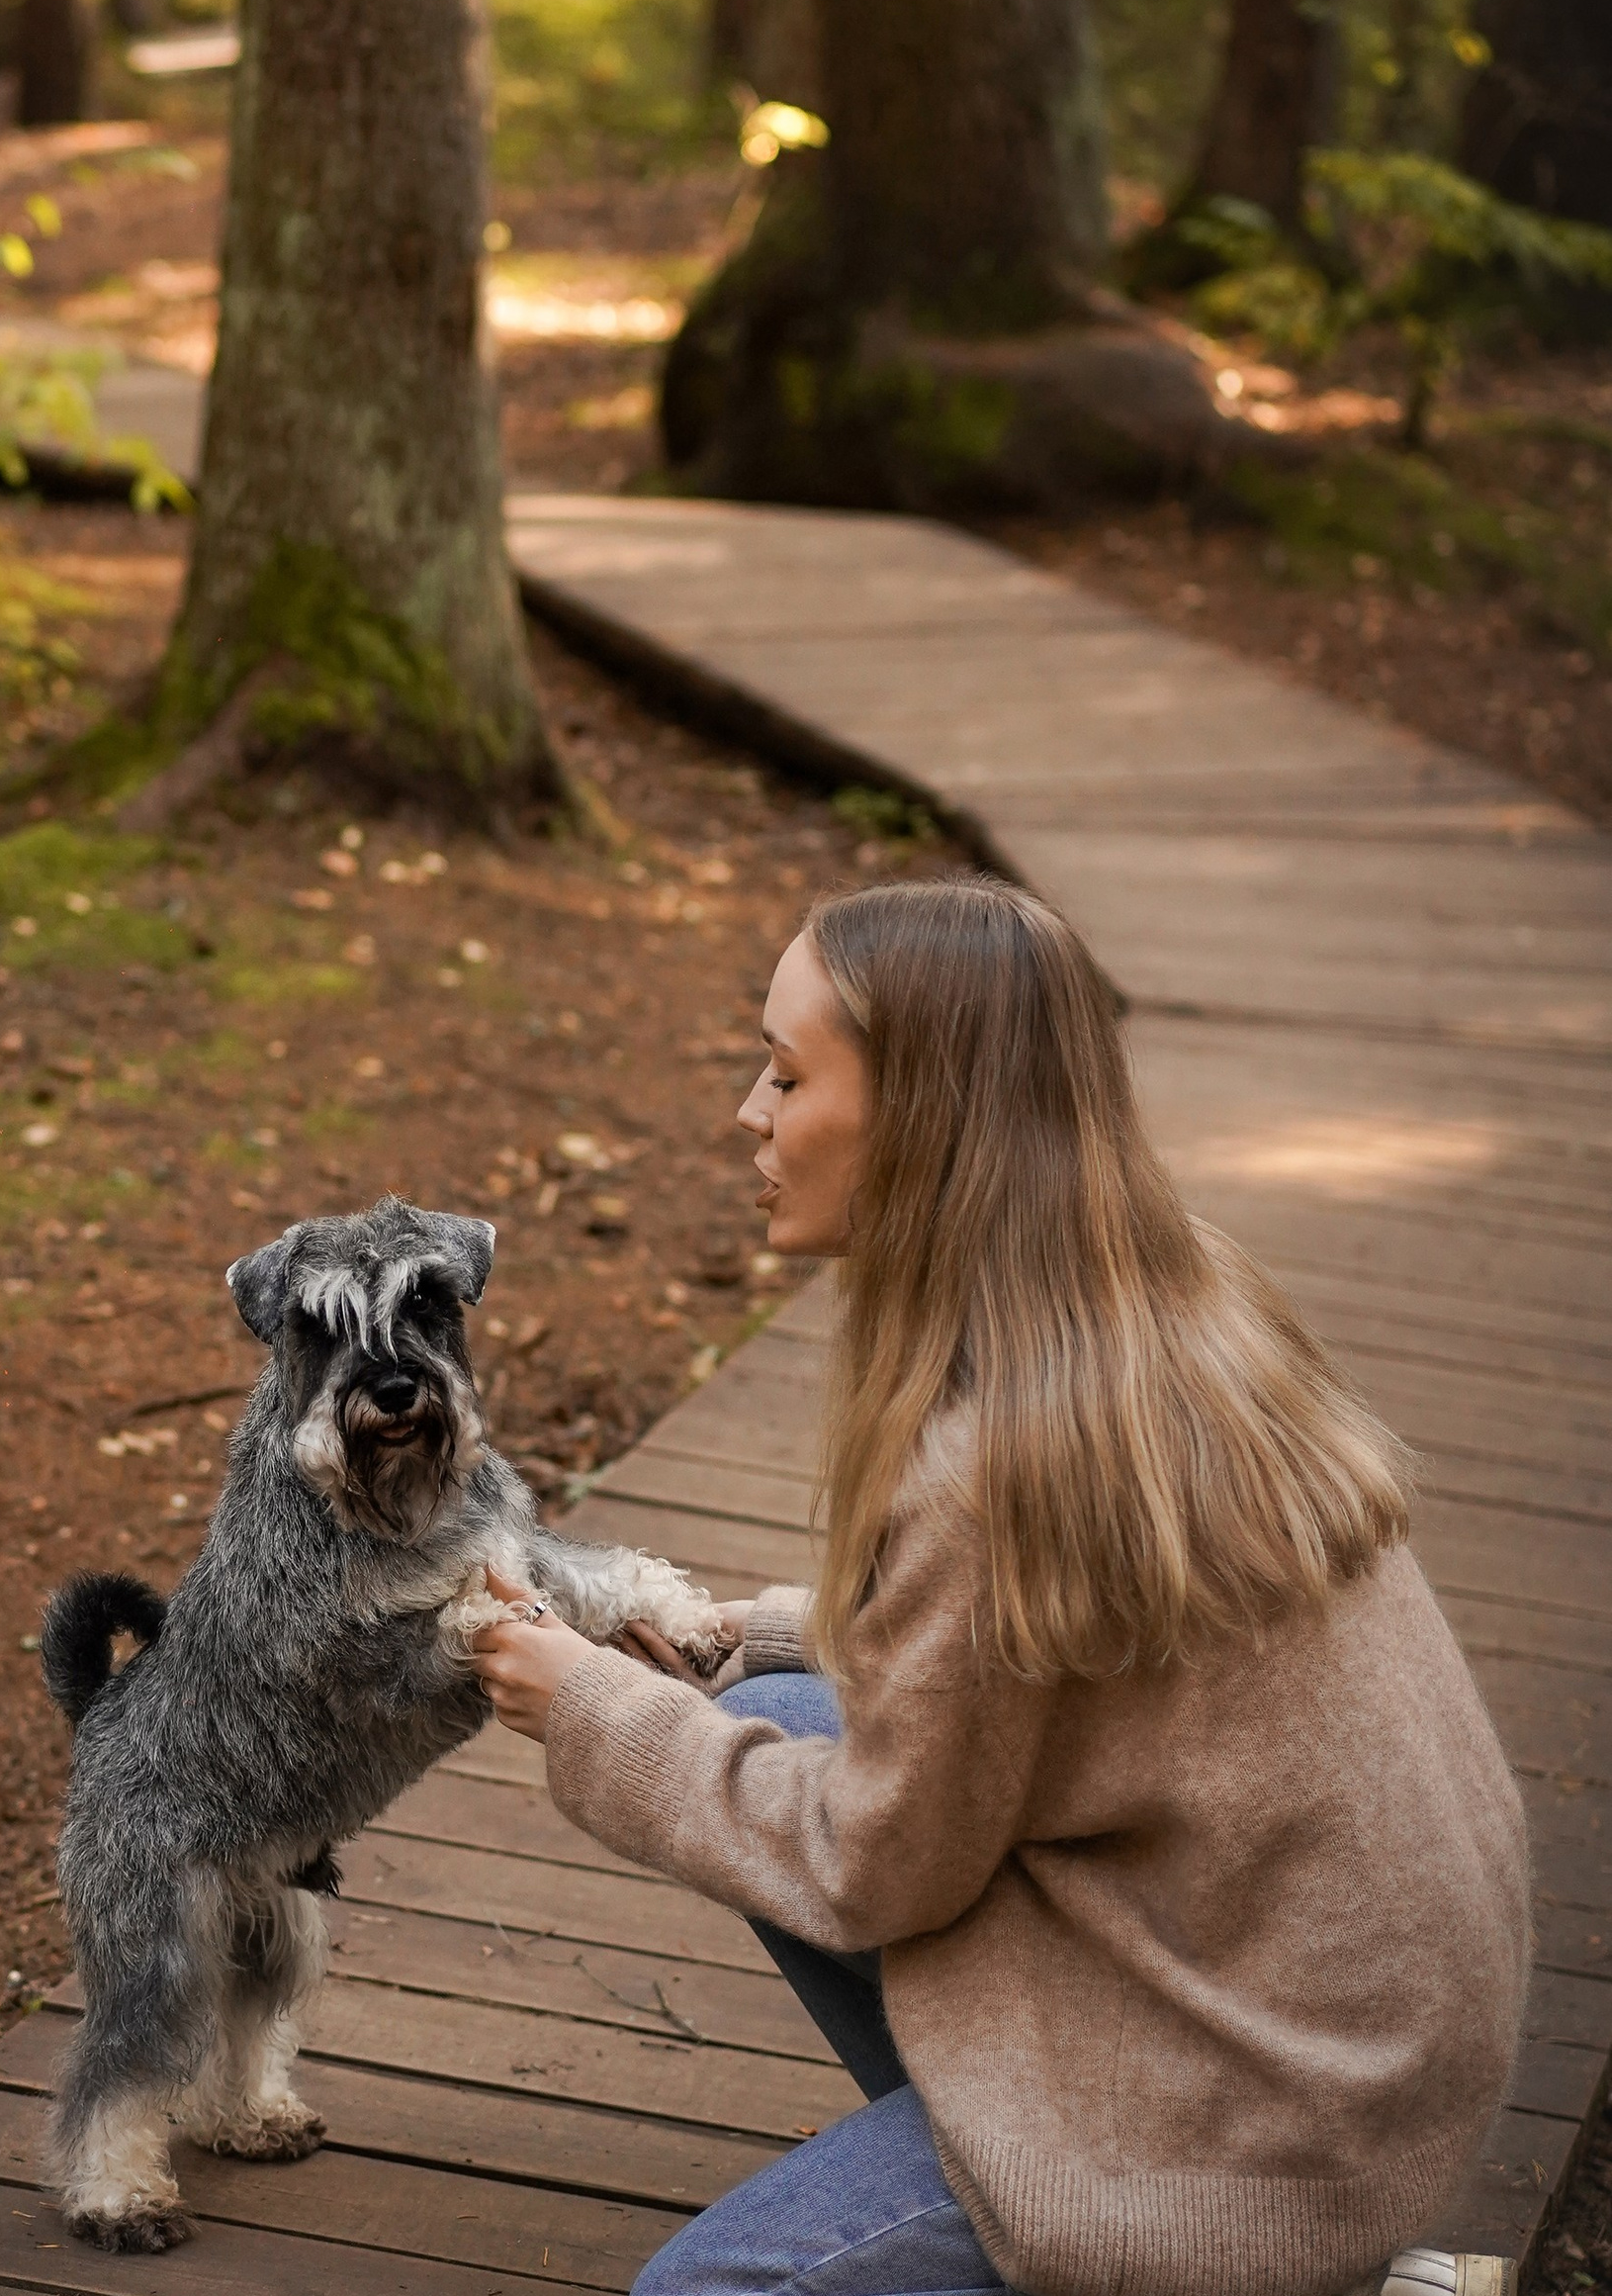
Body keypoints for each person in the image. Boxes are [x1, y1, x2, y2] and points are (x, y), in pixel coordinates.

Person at [473, 877, 1530, 2296]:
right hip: (1349, 2029)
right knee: (787, 1708)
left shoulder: (991, 1466)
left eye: (786, 1075)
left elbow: (869, 1866)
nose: (747, 1113)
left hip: (1266, 2118)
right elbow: (1050, 1667)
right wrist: (756, 1636)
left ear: (923, 1116)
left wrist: (593, 1711)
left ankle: (1224, 2266)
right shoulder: (1158, 1295)